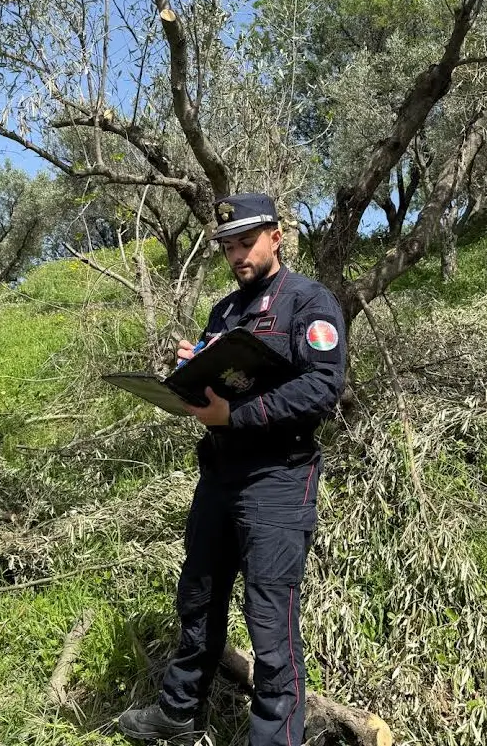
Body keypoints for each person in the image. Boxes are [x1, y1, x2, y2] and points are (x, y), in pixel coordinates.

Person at [118, 193, 347, 746]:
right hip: (218, 478)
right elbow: (225, 381)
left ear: (276, 236)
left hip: (278, 480)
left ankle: (273, 739)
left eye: (247, 243)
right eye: (228, 247)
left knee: (270, 622)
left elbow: (323, 385)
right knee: (197, 598)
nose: (238, 255)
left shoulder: (307, 302)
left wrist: (236, 413)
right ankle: (179, 715)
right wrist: (192, 373)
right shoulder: (225, 311)